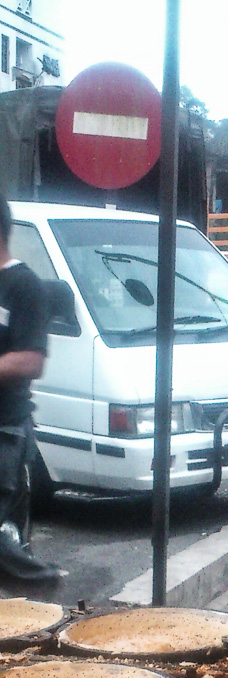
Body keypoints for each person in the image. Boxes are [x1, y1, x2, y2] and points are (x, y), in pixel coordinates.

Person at [0, 194, 62, 582]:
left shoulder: (25, 285)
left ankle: (43, 589)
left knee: (5, 538)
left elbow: (31, 360)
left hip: (6, 432)